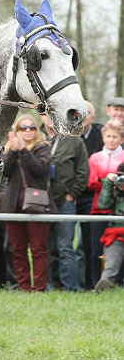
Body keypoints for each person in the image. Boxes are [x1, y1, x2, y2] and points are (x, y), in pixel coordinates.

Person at [0, 114, 54, 292]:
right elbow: (4, 172)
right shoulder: (10, 150)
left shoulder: (43, 148)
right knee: (17, 250)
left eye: (32, 127)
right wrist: (14, 151)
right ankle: (24, 287)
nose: (28, 130)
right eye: (23, 128)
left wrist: (24, 150)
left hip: (37, 206)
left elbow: (40, 169)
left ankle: (39, 288)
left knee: (38, 250)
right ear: (17, 131)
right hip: (14, 207)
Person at [40, 113, 88, 291]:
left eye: (54, 114)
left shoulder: (74, 140)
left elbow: (83, 171)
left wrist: (72, 195)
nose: (50, 119)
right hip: (41, 203)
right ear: (41, 117)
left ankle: (70, 287)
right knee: (44, 248)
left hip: (64, 202)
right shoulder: (36, 138)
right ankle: (48, 286)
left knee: (66, 248)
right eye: (46, 114)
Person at [85, 119, 124, 287]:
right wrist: (108, 181)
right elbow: (90, 183)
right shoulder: (95, 157)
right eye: (108, 136)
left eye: (115, 136)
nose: (111, 140)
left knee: (117, 248)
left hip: (118, 209)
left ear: (121, 139)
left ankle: (116, 282)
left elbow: (96, 181)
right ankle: (96, 282)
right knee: (95, 249)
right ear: (103, 137)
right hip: (98, 207)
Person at [77, 100, 104, 287]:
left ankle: (91, 281)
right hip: (69, 195)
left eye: (86, 112)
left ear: (92, 117)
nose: (82, 115)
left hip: (91, 195)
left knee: (90, 241)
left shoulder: (101, 136)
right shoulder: (66, 133)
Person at [94, 162, 124, 291]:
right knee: (111, 262)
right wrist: (107, 183)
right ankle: (104, 285)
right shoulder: (115, 190)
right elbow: (103, 205)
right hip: (116, 233)